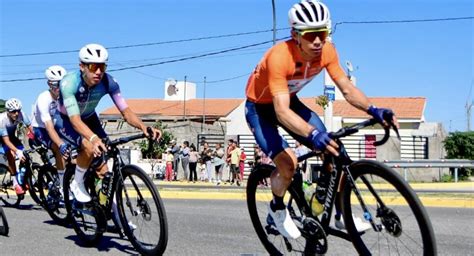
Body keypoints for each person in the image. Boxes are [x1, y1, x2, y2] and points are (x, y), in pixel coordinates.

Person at [244, 0, 398, 239]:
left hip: (289, 101)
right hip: (260, 109)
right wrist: (313, 134)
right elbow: (282, 112)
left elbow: (347, 89)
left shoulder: (327, 50)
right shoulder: (279, 57)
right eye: (311, 35)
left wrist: (374, 110)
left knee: (335, 151)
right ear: (295, 35)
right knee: (288, 164)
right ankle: (276, 209)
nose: (318, 40)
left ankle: (337, 214)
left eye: (323, 33)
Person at [57, 43, 161, 203]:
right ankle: (76, 182)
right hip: (67, 120)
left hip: (90, 117)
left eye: (102, 67)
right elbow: (75, 120)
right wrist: (93, 138)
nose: (98, 72)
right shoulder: (69, 83)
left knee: (104, 170)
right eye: (93, 66)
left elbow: (126, 111)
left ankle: (117, 219)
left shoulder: (109, 82)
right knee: (90, 146)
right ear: (82, 66)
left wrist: (143, 127)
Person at [31, 65, 70, 190]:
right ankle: (62, 185)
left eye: (61, 84)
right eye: (55, 85)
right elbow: (48, 126)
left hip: (56, 126)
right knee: (58, 149)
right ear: (49, 84)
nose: (59, 88)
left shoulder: (65, 96)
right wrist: (60, 144)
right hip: (41, 129)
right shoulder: (43, 99)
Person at [0, 98, 34, 195]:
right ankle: (15, 183)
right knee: (11, 154)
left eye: (18, 111)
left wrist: (37, 139)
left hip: (11, 136)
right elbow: (6, 141)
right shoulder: (2, 121)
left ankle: (23, 178)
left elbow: (31, 129)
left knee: (25, 156)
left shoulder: (22, 115)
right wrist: (17, 151)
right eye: (13, 111)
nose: (16, 114)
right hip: (2, 139)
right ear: (8, 111)